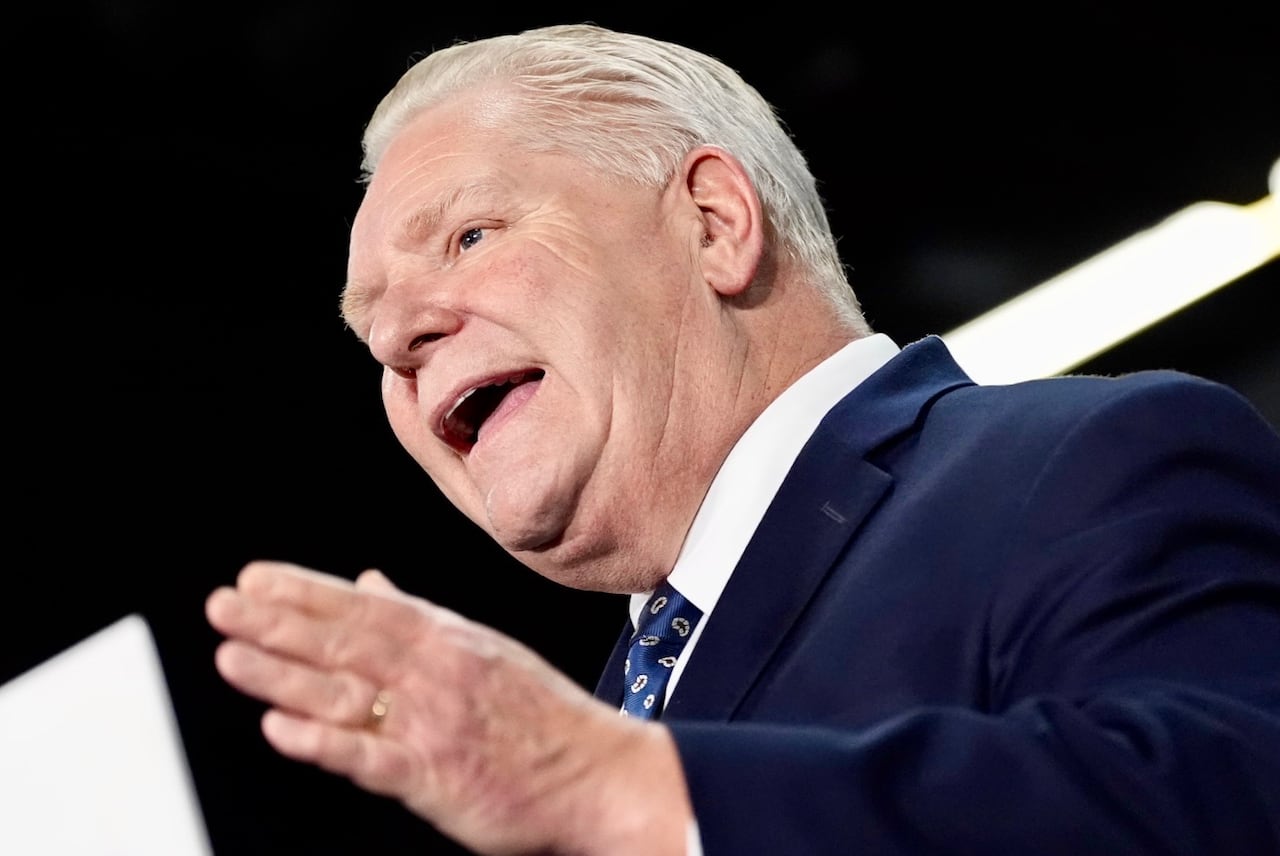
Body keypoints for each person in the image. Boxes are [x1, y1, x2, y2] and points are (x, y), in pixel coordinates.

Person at [204, 23, 1280, 855]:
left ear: (715, 222)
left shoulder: (1085, 461)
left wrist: (612, 789)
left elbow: (1229, 795)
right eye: (369, 324)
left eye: (470, 235)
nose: (397, 336)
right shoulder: (601, 708)